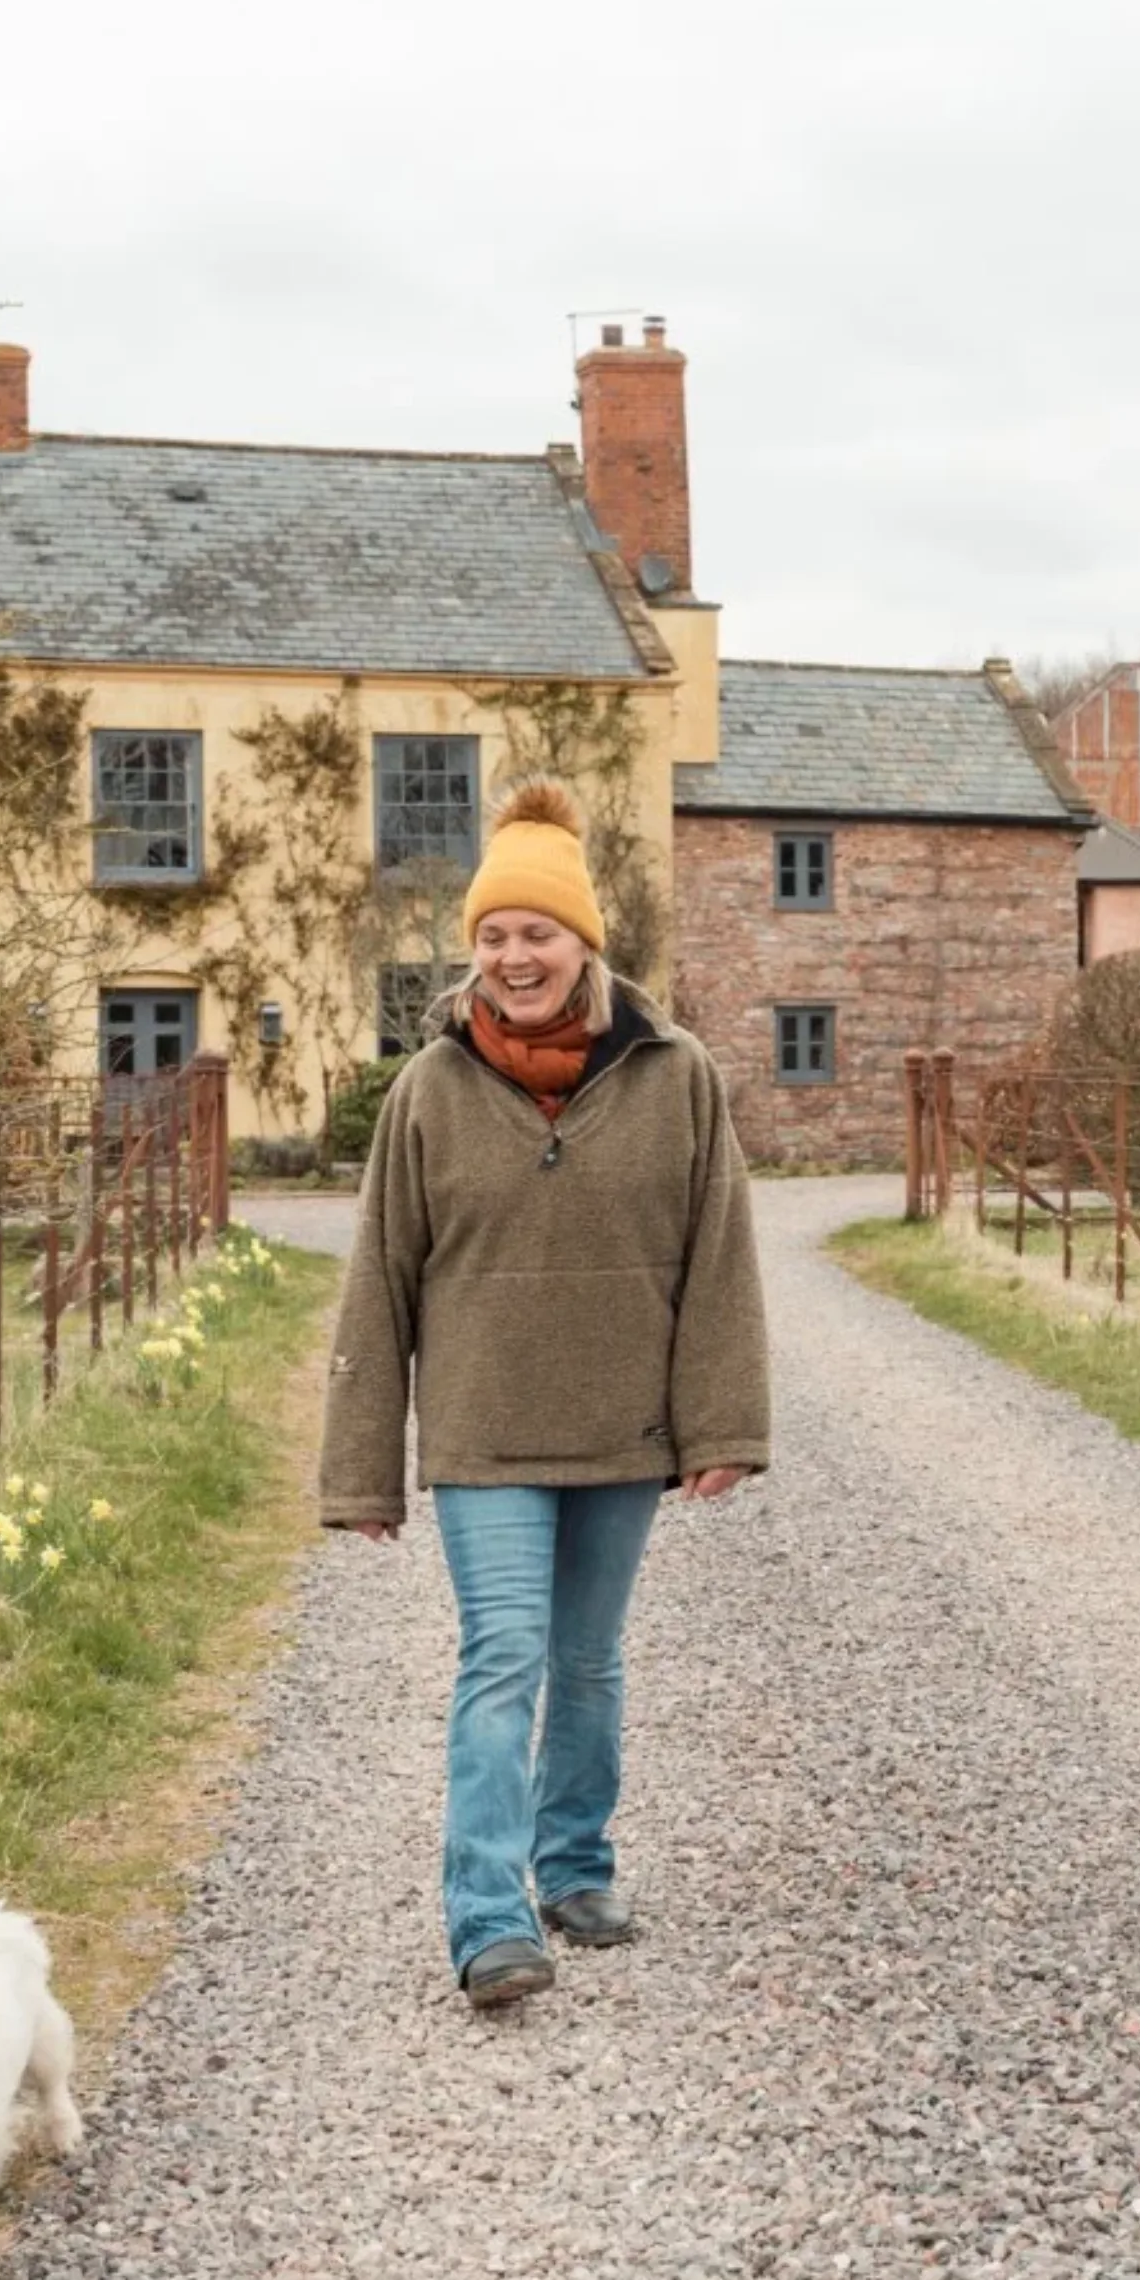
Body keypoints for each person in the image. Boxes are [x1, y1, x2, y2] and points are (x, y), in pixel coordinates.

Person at [318, 774, 771, 2009]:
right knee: (503, 1654)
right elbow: (378, 1282)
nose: (515, 957)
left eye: (538, 933)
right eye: (494, 936)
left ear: (584, 943)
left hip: (623, 1430)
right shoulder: (428, 1091)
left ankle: (574, 1864)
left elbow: (718, 1258)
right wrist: (361, 1467)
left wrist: (719, 1423)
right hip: (483, 1434)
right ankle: (485, 1915)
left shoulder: (675, 1075)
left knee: (588, 1661)